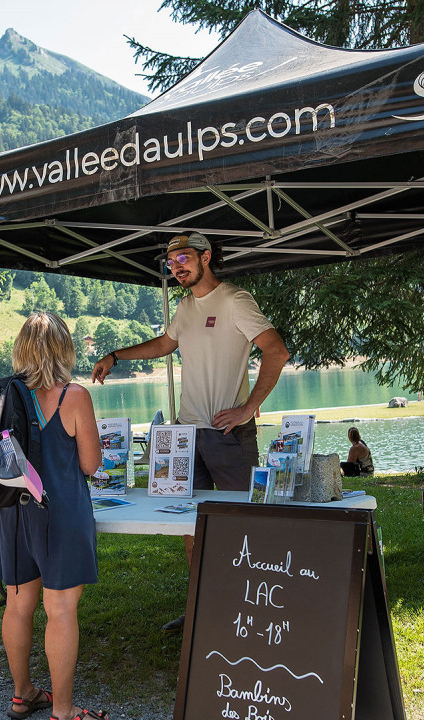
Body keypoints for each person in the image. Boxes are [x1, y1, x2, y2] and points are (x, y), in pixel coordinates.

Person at [92, 231, 289, 631]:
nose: (176, 266)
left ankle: (245, 611)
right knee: (188, 524)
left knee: (239, 521)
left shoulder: (235, 300)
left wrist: (248, 408)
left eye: (183, 258)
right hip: (186, 436)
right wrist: (115, 355)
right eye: (171, 262)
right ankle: (202, 606)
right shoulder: (184, 307)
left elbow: (277, 350)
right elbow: (165, 345)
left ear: (206, 256)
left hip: (228, 436)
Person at [0, 311, 110, 720]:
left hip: (12, 513)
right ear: (65, 349)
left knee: (17, 606)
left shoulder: (4, 394)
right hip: (59, 514)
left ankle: (23, 695)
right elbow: (91, 464)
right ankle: (63, 714)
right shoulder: (73, 396)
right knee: (60, 611)